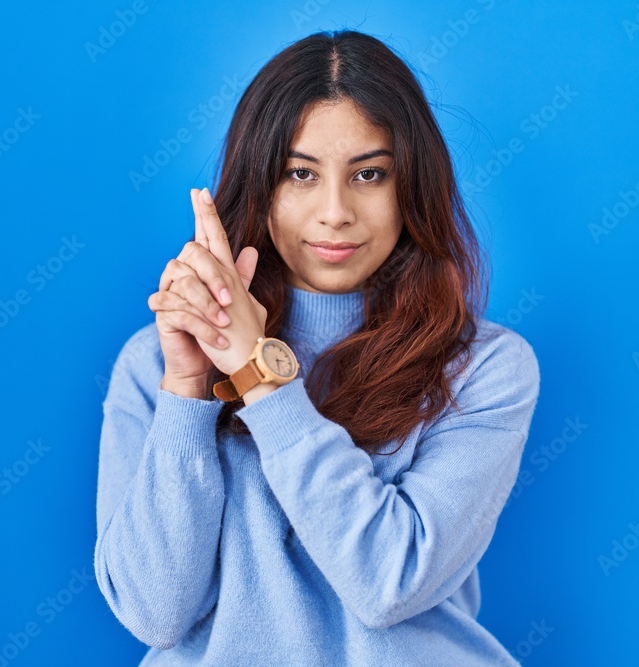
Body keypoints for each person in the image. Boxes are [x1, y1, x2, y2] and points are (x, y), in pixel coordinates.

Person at [95, 29, 539, 666]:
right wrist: (189, 391)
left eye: (369, 174)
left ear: (411, 185)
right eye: (300, 173)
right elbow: (153, 613)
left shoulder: (485, 368)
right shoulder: (156, 364)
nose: (335, 211)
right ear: (259, 184)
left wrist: (261, 376)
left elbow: (390, 583)